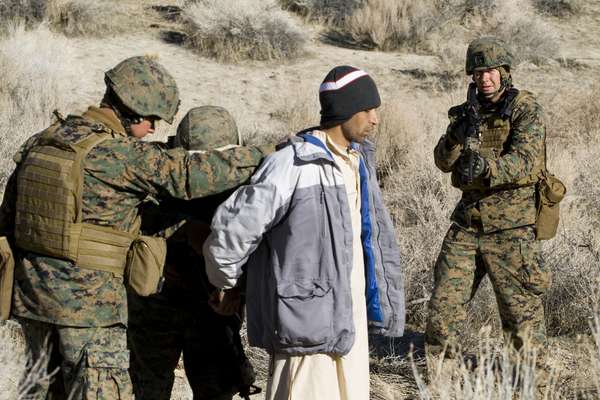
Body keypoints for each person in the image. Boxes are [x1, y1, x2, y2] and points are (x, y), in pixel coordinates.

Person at [0, 56, 272, 399]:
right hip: (92, 313)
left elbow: (7, 220)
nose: (154, 131)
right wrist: (271, 151)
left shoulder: (44, 141)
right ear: (135, 112)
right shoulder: (119, 155)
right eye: (152, 120)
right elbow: (189, 174)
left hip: (33, 305)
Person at [203, 65, 405, 400]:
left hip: (348, 325)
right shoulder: (292, 164)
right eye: (368, 110)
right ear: (345, 111)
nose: (375, 119)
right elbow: (233, 228)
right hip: (305, 327)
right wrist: (226, 282)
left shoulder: (357, 164)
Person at [426, 37, 550, 370]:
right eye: (479, 72)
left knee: (522, 319)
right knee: (442, 311)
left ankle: (529, 389)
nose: (485, 79)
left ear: (505, 71)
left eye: (492, 71)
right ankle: (439, 383)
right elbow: (442, 161)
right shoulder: (468, 112)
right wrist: (455, 135)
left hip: (512, 231)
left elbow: (527, 162)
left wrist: (487, 167)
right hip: (468, 227)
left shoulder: (525, 107)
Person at [127, 106, 259, 400]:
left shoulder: (245, 179)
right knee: (147, 387)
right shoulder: (154, 170)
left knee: (216, 386)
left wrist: (234, 290)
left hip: (212, 303)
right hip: (157, 300)